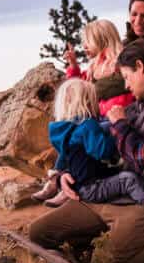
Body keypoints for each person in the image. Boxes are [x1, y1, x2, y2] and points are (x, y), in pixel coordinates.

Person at [29, 38, 144, 263]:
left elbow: (143, 156)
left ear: (141, 67)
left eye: (126, 76)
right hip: (109, 193)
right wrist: (64, 173)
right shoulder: (135, 108)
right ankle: (112, 238)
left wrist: (120, 124)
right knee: (38, 233)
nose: (126, 84)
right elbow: (85, 140)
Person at [33, 78, 118, 207]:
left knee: (68, 151)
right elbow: (102, 151)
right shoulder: (87, 124)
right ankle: (64, 187)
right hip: (87, 178)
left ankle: (54, 184)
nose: (97, 103)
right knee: (75, 150)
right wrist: (117, 133)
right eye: (95, 100)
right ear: (88, 102)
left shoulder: (64, 126)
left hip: (73, 161)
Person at [63, 19, 134, 115]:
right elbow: (78, 87)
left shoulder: (121, 62)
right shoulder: (93, 67)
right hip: (97, 116)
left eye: (88, 41)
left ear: (103, 40)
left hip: (117, 115)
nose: (84, 46)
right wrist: (73, 65)